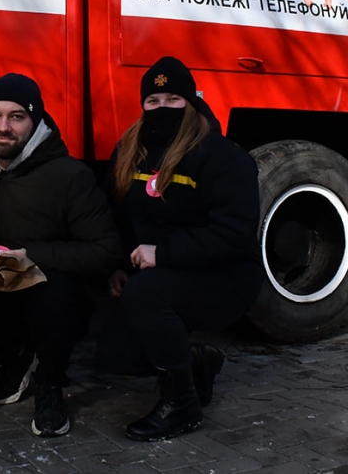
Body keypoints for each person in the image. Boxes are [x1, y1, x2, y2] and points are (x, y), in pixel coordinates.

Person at [103, 56, 264, 442]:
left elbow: (234, 235)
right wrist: (116, 265)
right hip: (164, 272)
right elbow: (117, 215)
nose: (162, 109)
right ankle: (196, 361)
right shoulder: (129, 150)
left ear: (190, 102)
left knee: (144, 297)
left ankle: (181, 405)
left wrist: (162, 253)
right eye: (153, 101)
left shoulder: (224, 157)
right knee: (117, 357)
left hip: (225, 278)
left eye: (173, 99)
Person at [0, 73, 123, 438]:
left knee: (57, 295)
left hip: (46, 290)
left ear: (36, 121)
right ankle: (16, 356)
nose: (3, 127)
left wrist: (31, 256)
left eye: (17, 117)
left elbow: (105, 250)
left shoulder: (69, 175)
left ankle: (50, 384)